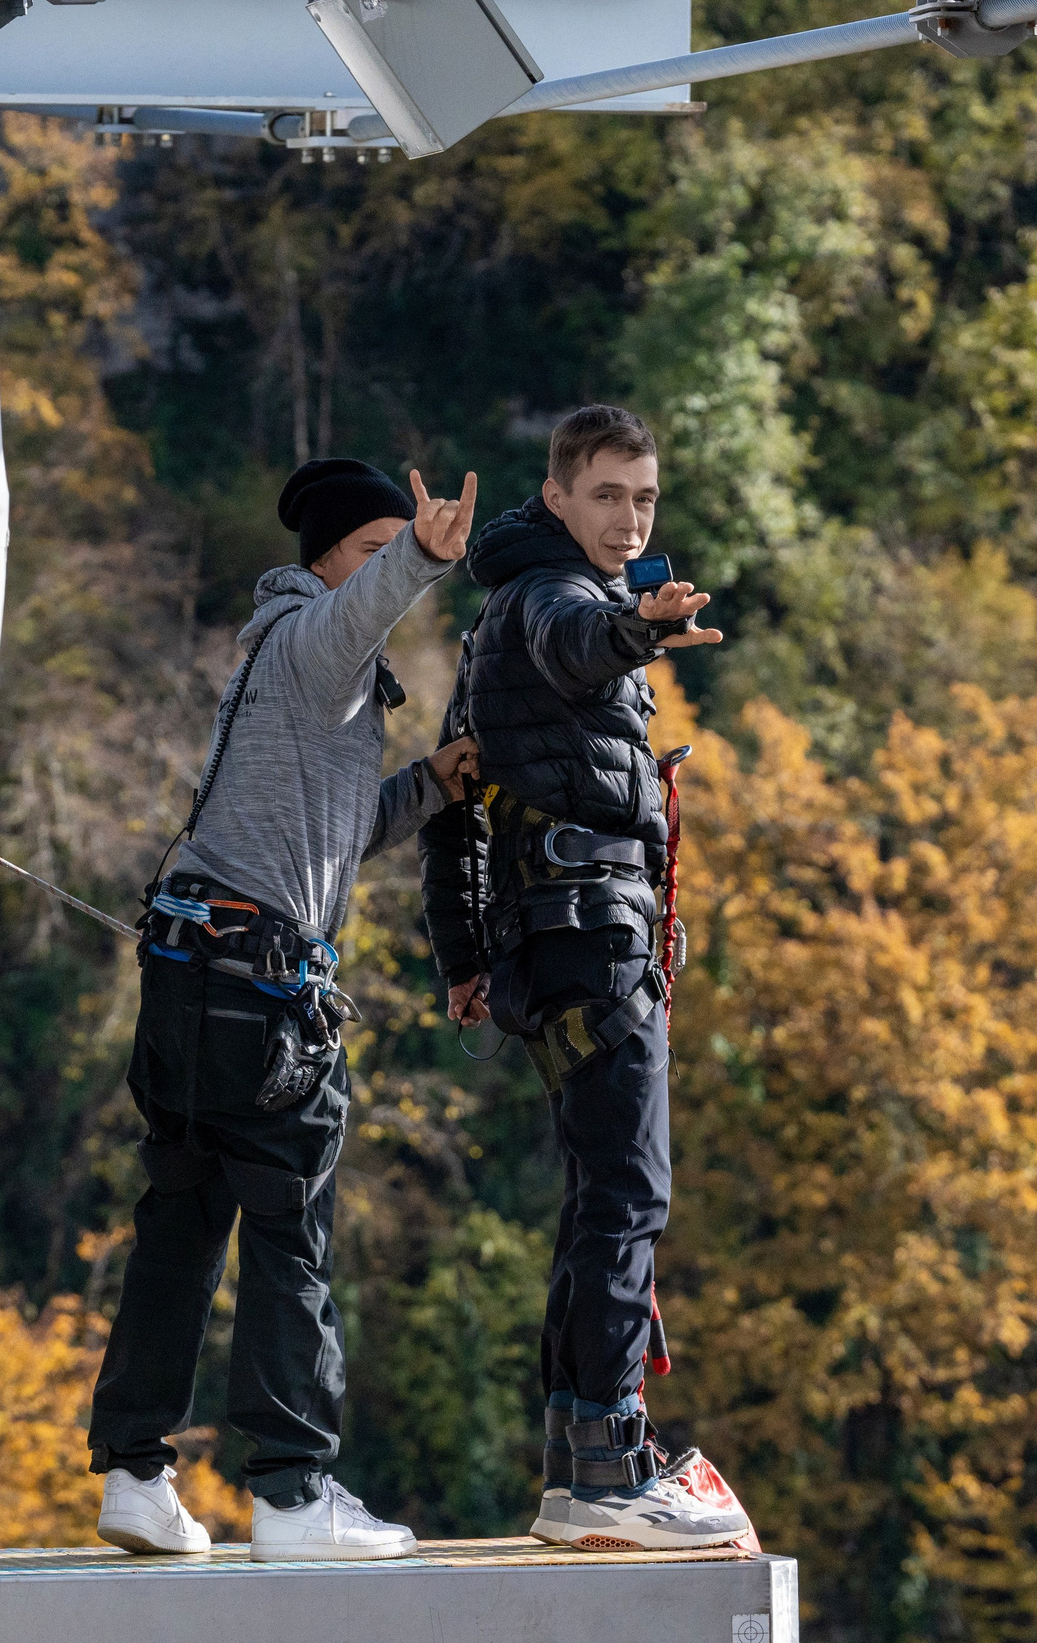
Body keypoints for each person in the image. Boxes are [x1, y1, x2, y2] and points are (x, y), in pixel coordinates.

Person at [89, 457, 481, 1562]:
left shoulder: (286, 671)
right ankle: (297, 1498)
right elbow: (362, 606)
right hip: (261, 1006)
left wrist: (429, 786)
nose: (381, 582)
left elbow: (328, 835)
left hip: (185, 988)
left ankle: (132, 1475)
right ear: (324, 561)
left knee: (177, 1228)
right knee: (287, 1242)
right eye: (366, 551)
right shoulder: (314, 639)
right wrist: (419, 556)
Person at [418, 404, 751, 1551]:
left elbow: (453, 803)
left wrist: (463, 958)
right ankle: (610, 1465)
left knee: (596, 1197)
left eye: (644, 498)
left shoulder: (497, 613)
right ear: (557, 497)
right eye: (607, 495)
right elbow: (579, 643)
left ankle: (577, 1470)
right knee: (627, 1196)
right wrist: (637, 632)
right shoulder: (556, 602)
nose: (628, 518)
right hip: (590, 940)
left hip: (551, 945)